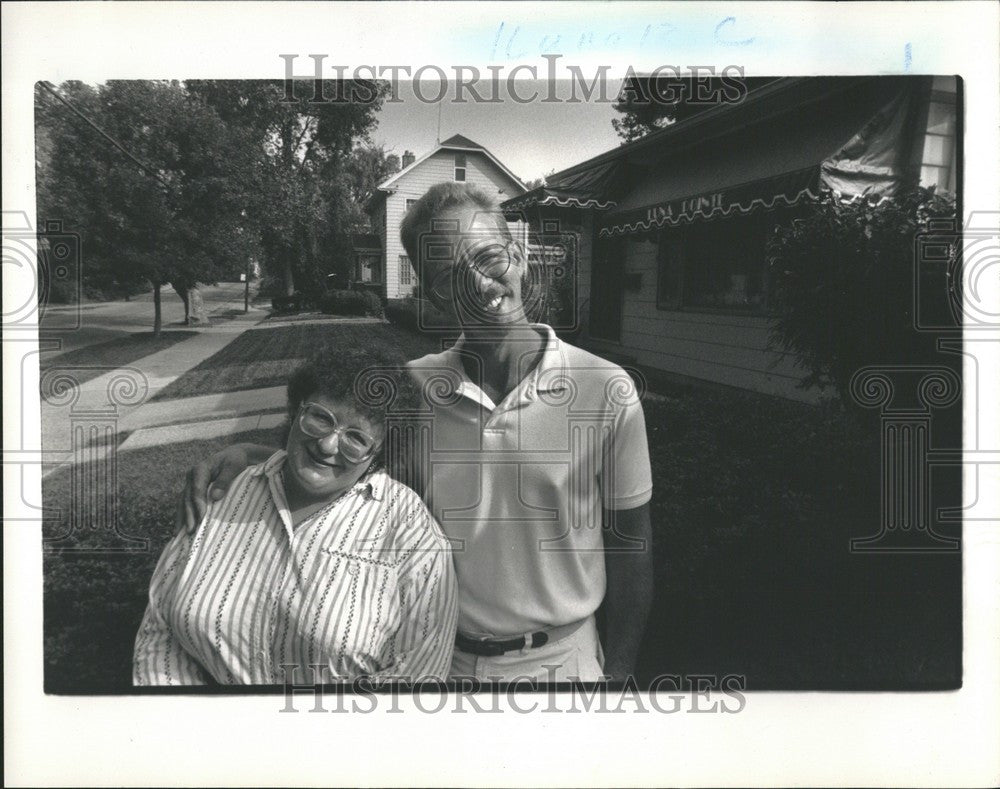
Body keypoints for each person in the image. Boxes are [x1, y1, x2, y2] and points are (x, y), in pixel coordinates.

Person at [178, 182, 654, 683]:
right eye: (450, 277)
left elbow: (632, 549)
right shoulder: (414, 388)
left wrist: (619, 679)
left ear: (517, 256)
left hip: (562, 667)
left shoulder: (605, 390)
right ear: (433, 298)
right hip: (434, 660)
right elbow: (345, 460)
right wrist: (250, 454)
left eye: (488, 256)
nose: (479, 285)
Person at [135, 348, 458, 685]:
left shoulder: (412, 538)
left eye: (356, 438)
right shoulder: (222, 492)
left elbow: (417, 676)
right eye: (320, 418)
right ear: (296, 410)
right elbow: (161, 630)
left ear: (377, 456)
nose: (329, 445)